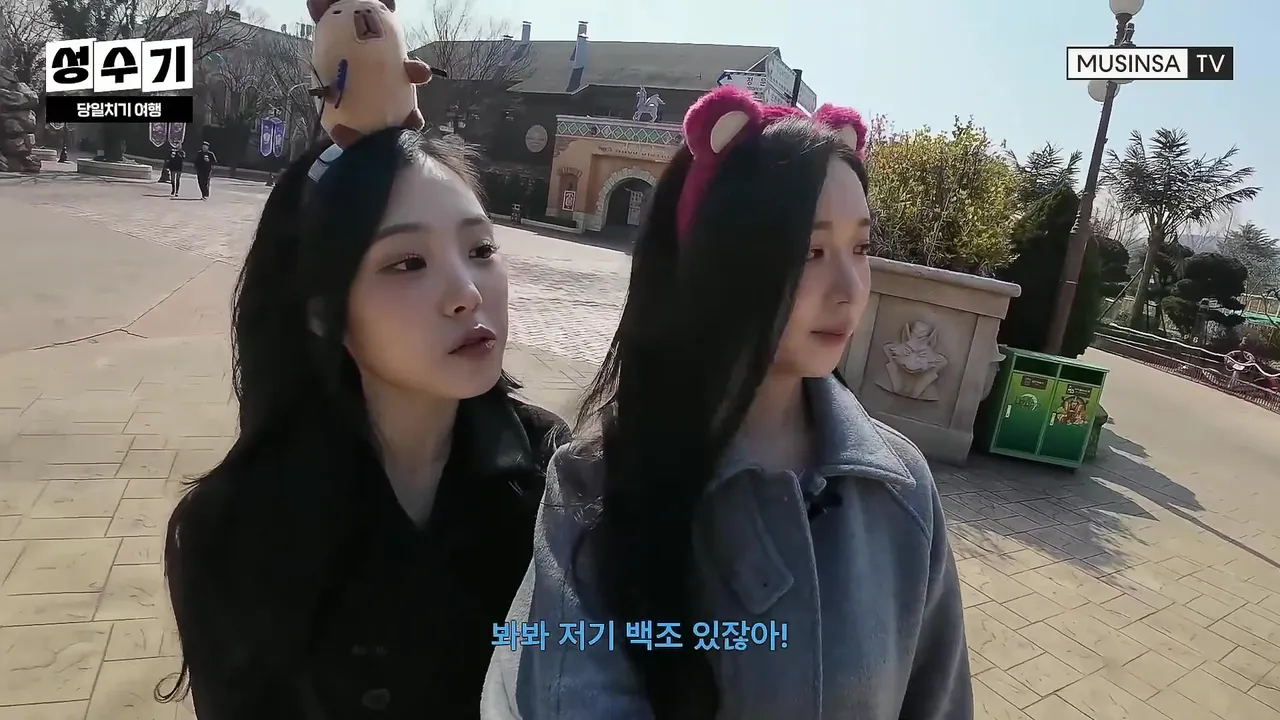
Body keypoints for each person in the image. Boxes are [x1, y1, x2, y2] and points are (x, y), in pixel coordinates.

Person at [483, 87, 972, 719]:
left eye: (861, 248)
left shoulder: (900, 490)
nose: (851, 288)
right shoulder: (597, 485)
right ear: (719, 260)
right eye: (810, 251)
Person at [160, 128, 568, 718]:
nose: (466, 293)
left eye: (480, 250)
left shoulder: (557, 479)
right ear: (324, 312)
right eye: (408, 262)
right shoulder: (235, 530)